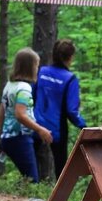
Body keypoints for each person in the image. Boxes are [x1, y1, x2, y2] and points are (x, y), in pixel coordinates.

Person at [33, 39, 87, 180]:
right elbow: (71, 110)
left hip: (34, 125)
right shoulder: (70, 79)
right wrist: (84, 125)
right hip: (57, 128)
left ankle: (30, 190)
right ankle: (60, 197)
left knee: (31, 164)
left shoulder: (41, 72)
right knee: (60, 167)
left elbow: (31, 96)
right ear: (70, 57)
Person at [0, 48, 53, 183]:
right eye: (36, 66)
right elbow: (20, 115)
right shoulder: (24, 88)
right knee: (32, 180)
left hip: (8, 137)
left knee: (26, 176)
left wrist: (0, 135)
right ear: (30, 67)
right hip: (19, 138)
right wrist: (40, 129)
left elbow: (2, 111)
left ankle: (17, 197)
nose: (37, 69)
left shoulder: (10, 85)